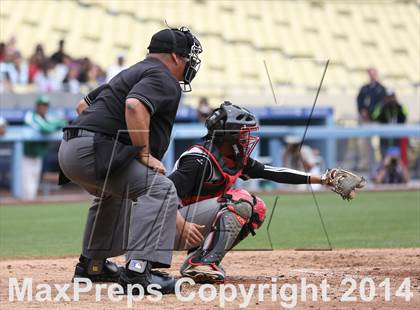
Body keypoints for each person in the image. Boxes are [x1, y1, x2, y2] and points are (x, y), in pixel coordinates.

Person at [58, 26, 202, 294]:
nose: (189, 63)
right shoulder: (164, 77)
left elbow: (82, 107)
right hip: (93, 150)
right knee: (159, 188)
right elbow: (135, 105)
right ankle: (138, 272)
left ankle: (93, 265)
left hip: (70, 148)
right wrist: (143, 152)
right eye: (187, 58)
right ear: (174, 56)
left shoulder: (132, 71)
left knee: (115, 192)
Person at [168, 102, 363, 283]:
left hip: (189, 225)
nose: (247, 138)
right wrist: (181, 224)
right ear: (229, 135)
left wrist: (323, 179)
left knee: (256, 208)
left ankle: (199, 260)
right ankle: (200, 264)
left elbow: (272, 172)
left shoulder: (233, 157)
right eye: (243, 133)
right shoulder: (199, 160)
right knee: (240, 200)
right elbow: (165, 192)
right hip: (167, 227)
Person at [22, 95, 66, 200]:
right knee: (26, 188)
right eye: (42, 105)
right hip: (25, 155)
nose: (44, 108)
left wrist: (55, 124)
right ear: (37, 106)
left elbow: (63, 122)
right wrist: (55, 125)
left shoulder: (47, 117)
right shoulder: (30, 115)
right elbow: (45, 128)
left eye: (46, 105)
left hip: (38, 155)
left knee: (33, 187)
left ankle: (29, 209)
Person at [355, 68, 386, 170]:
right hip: (364, 121)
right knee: (363, 143)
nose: (372, 76)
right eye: (370, 74)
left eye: (373, 73)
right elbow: (359, 101)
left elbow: (381, 105)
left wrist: (371, 114)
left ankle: (377, 165)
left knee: (375, 144)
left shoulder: (381, 89)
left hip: (375, 121)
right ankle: (365, 164)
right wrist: (362, 111)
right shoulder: (364, 88)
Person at [371, 89, 408, 160]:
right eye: (388, 97)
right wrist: (382, 105)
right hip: (385, 137)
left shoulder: (399, 107)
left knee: (397, 158)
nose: (390, 99)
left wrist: (398, 104)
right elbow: (374, 116)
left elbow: (406, 115)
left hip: (396, 137)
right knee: (385, 158)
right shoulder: (382, 107)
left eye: (392, 97)